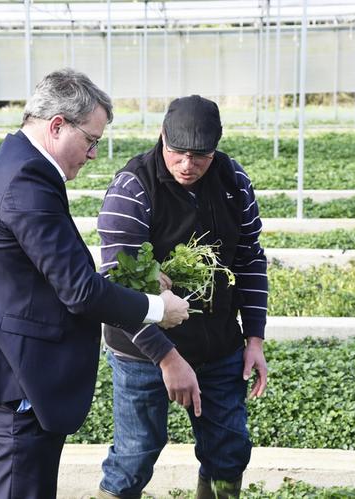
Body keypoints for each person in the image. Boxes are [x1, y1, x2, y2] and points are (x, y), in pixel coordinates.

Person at [0, 68, 190, 499]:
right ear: (57, 125)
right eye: (91, 140)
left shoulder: (19, 163)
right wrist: (157, 308)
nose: (93, 154)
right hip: (16, 382)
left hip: (17, 373)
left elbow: (53, 271)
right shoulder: (27, 179)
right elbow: (78, 290)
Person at [96, 95, 269, 499]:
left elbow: (249, 260)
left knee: (229, 452)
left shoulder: (234, 182)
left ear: (217, 147)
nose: (187, 165)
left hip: (217, 345)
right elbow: (119, 286)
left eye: (200, 155)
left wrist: (254, 338)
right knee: (135, 458)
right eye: (177, 153)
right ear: (161, 137)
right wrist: (167, 358)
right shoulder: (132, 188)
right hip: (141, 351)